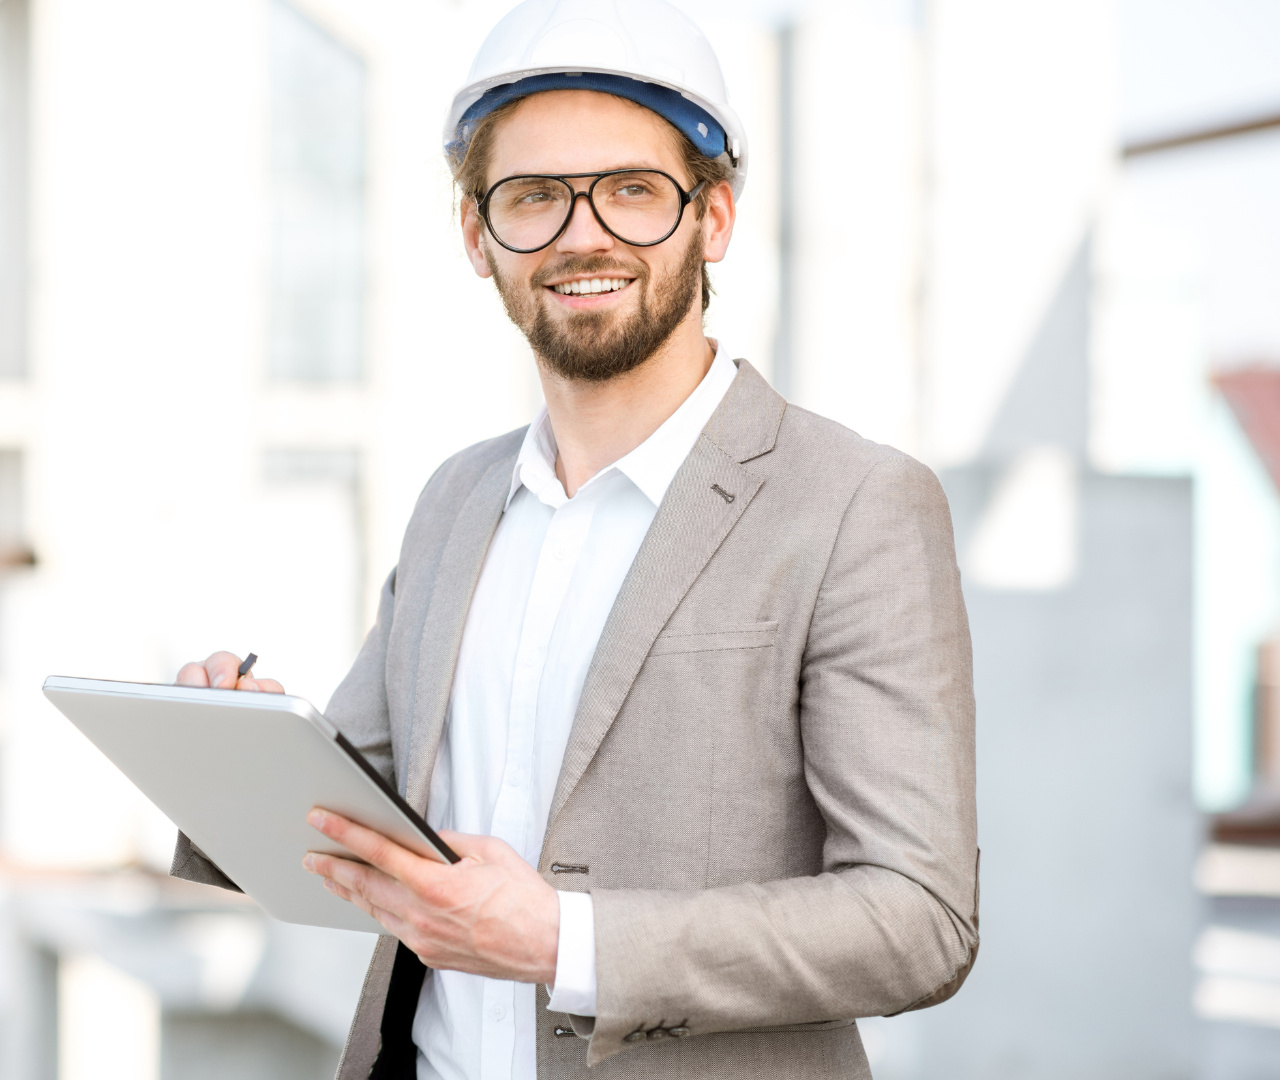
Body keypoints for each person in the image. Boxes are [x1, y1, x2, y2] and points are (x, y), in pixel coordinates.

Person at [175, 2, 978, 1076]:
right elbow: (362, 815)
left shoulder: (855, 505)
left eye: (634, 191)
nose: (581, 234)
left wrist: (565, 940)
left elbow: (919, 920)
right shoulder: (456, 500)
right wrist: (238, 759)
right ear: (478, 237)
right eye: (533, 198)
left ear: (716, 218)